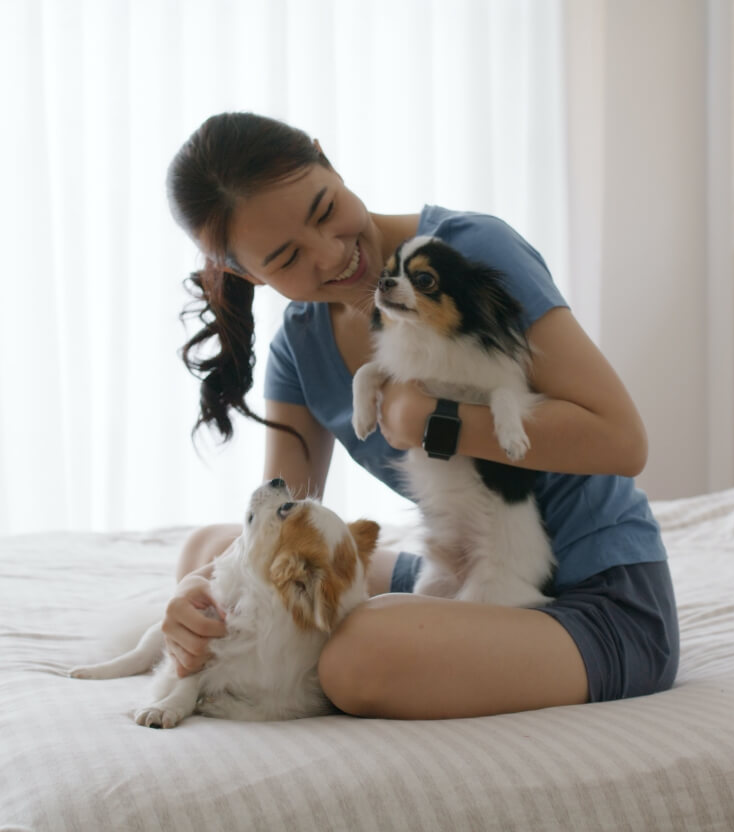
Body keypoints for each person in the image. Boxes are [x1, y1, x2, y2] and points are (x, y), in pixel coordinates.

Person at [161, 112, 677, 720]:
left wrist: (435, 418)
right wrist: (196, 599)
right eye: (286, 257)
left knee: (359, 657)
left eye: (325, 210)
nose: (331, 255)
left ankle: (395, 648)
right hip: (460, 574)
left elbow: (623, 440)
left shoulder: (471, 252)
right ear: (249, 275)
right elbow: (276, 532)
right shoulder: (300, 347)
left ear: (328, 160)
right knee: (207, 550)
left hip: (599, 597)